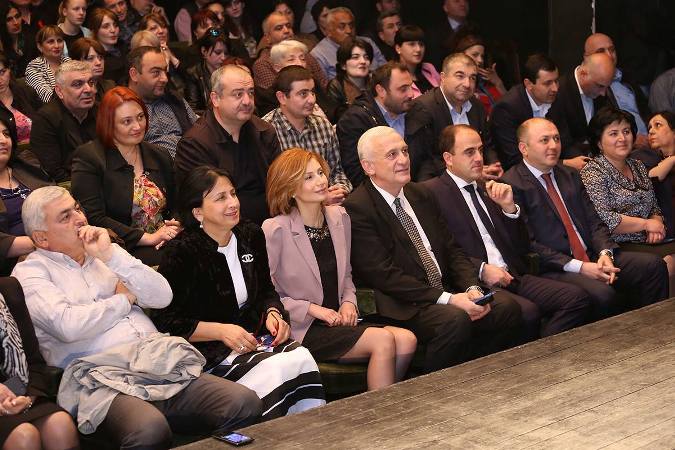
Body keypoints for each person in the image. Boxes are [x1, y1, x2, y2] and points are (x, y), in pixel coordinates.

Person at [13, 185, 262, 447]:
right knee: (149, 429)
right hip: (100, 380)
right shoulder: (31, 273)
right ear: (41, 238)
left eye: (77, 209)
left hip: (159, 364)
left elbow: (162, 296)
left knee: (243, 402)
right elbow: (69, 325)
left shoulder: (104, 252)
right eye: (65, 217)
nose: (80, 219)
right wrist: (124, 299)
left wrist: (111, 256)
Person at [343, 126, 522, 373]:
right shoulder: (358, 208)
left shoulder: (420, 193)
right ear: (368, 166)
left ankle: (481, 375)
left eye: (405, 151)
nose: (403, 160)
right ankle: (435, 387)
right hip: (405, 304)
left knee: (506, 308)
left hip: (444, 290)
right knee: (454, 321)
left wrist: (471, 288)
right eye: (392, 155)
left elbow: (452, 250)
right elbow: (384, 275)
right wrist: (450, 299)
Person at [154, 165, 326, 419]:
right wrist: (221, 331)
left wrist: (274, 313)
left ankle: (311, 433)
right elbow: (167, 322)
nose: (233, 203)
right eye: (220, 198)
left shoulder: (250, 235)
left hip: (254, 339)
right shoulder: (181, 252)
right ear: (198, 211)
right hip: (209, 353)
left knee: (301, 357)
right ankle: (273, 435)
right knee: (276, 368)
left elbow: (266, 290)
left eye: (233, 194)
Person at [263, 148, 417, 389]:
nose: (321, 181)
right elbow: (267, 294)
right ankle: (383, 409)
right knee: (383, 340)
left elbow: (346, 276)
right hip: (303, 327)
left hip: (338, 320)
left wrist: (348, 302)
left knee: (407, 339)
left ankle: (378, 401)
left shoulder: (339, 217)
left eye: (320, 173)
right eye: (309, 177)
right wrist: (314, 310)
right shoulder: (276, 229)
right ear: (290, 189)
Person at [423, 125, 591, 338]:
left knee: (575, 298)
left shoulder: (489, 187)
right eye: (469, 152)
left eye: (480, 150)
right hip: (473, 282)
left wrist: (510, 210)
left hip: (512, 274)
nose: (479, 158)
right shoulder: (431, 193)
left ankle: (545, 353)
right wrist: (482, 269)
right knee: (527, 312)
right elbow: (440, 250)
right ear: (448, 158)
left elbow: (522, 245)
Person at [502, 118, 669, 317]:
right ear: (524, 148)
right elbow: (529, 244)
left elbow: (595, 222)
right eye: (544, 140)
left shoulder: (570, 175)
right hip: (556, 266)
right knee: (603, 294)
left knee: (653, 266)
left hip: (592, 254)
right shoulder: (512, 185)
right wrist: (582, 267)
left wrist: (605, 253)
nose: (554, 145)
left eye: (556, 138)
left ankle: (652, 328)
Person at [71, 87, 178, 266]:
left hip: (165, 239)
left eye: (140, 117)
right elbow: (94, 217)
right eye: (127, 121)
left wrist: (174, 226)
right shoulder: (90, 158)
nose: (137, 126)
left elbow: (178, 201)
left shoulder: (159, 154)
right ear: (109, 124)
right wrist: (149, 238)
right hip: (121, 246)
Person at [176, 64, 281, 224]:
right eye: (238, 94)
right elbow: (199, 207)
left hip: (272, 222)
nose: (247, 101)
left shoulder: (265, 131)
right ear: (215, 99)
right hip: (224, 228)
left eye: (251, 93)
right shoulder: (195, 144)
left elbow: (280, 185)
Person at [580, 107, 675, 277]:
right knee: (667, 262)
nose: (622, 138)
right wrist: (646, 224)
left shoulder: (637, 166)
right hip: (617, 246)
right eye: (613, 133)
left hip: (648, 241)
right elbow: (605, 218)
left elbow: (654, 206)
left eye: (626, 131)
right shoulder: (593, 171)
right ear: (599, 142)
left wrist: (655, 223)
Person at [0, 281, 79, 450]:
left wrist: (27, 399)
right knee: (24, 436)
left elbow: (34, 362)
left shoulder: (8, 290)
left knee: (60, 425)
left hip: (18, 391)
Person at [406, 53, 502, 180]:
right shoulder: (423, 109)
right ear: (443, 77)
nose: (467, 84)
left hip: (478, 179)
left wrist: (494, 165)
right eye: (460, 76)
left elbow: (487, 144)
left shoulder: (476, 106)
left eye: (472, 78)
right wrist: (468, 172)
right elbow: (423, 162)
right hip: (439, 183)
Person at [336, 62, 432, 188]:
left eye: (410, 87)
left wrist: (419, 189)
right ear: (381, 90)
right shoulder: (355, 121)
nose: (411, 94)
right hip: (381, 195)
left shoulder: (416, 111)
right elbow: (357, 174)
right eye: (403, 89)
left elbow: (428, 158)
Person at [263, 66, 351, 202]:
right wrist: (319, 199)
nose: (312, 100)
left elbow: (336, 171)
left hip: (329, 202)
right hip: (289, 208)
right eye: (303, 94)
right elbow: (273, 188)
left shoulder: (322, 125)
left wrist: (340, 189)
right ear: (282, 97)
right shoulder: (267, 130)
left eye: (313, 92)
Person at [490, 53, 563, 171]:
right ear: (529, 84)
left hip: (554, 168)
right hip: (521, 174)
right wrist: (563, 163)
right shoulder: (507, 108)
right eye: (547, 83)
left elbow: (566, 140)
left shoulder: (555, 99)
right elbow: (513, 159)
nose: (555, 88)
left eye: (556, 81)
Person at [29, 60, 97, 182]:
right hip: (67, 185)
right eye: (78, 84)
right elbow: (53, 171)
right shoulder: (45, 119)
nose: (88, 89)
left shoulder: (102, 111)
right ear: (60, 91)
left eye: (91, 83)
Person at [548, 52, 617, 170]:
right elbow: (563, 142)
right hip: (573, 163)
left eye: (607, 86)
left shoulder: (601, 88)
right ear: (583, 74)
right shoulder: (559, 92)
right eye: (600, 86)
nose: (603, 93)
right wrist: (593, 163)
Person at [127, 45, 198, 158]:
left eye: (165, 71)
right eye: (156, 72)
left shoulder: (174, 99)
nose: (165, 79)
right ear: (134, 74)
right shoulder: (123, 109)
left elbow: (198, 130)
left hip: (193, 159)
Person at [0, 114, 49, 274]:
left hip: (56, 249)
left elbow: (59, 198)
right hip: (13, 266)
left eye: (6, 134)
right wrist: (44, 242)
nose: (3, 140)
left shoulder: (25, 166)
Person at [584, 33, 651, 149]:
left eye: (612, 50)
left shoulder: (628, 79)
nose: (609, 55)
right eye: (601, 51)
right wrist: (631, 138)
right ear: (587, 57)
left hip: (650, 143)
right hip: (622, 148)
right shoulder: (590, 87)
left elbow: (646, 112)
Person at [252, 11, 328, 91]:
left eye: (288, 26)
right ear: (268, 37)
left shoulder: (305, 55)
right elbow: (274, 94)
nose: (286, 31)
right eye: (279, 28)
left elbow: (324, 86)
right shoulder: (263, 64)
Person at [310, 7, 386, 81]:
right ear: (329, 31)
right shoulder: (319, 54)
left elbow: (386, 71)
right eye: (342, 27)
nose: (349, 31)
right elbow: (323, 85)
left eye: (351, 25)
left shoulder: (368, 42)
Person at [634, 111, 675, 241]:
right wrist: (672, 159)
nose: (651, 131)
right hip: (663, 230)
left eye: (658, 125)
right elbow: (650, 179)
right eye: (649, 128)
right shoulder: (641, 156)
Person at [453, 33, 505, 116]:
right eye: (475, 55)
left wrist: (498, 83)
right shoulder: (454, 84)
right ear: (461, 56)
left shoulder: (486, 82)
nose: (480, 60)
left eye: (482, 56)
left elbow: (509, 107)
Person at [185, 27, 230, 115]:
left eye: (226, 53)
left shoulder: (231, 71)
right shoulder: (194, 74)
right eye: (218, 52)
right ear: (204, 51)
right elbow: (192, 110)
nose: (223, 57)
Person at [325, 37, 372, 121]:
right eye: (355, 57)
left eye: (366, 57)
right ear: (343, 65)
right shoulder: (336, 86)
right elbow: (337, 118)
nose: (363, 61)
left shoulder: (375, 81)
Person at [0, 53, 41, 145]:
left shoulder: (24, 89)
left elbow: (45, 118)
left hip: (41, 145)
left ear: (9, 70)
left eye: (2, 72)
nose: (0, 80)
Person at [24, 25, 70, 103]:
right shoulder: (35, 67)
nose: (56, 46)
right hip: (49, 108)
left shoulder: (68, 61)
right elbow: (47, 98)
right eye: (51, 42)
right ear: (40, 47)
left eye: (59, 40)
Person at [394, 25, 440, 98]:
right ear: (398, 48)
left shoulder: (429, 68)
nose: (418, 49)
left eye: (421, 44)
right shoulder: (394, 76)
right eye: (412, 44)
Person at [68, 37, 115, 102]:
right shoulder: (71, 91)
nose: (98, 63)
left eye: (100, 58)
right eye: (90, 59)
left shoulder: (110, 86)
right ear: (76, 62)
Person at [89, 7, 125, 84]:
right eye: (106, 26)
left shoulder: (124, 47)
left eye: (115, 25)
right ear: (95, 31)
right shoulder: (94, 58)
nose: (113, 30)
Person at [0, 3, 37, 77]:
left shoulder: (32, 38)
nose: (16, 22)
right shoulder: (1, 44)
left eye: (17, 16)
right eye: (9, 19)